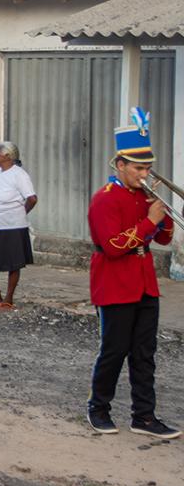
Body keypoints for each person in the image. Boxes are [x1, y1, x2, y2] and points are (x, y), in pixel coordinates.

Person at [86, 108, 178, 440]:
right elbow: (112, 246)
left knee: (144, 352)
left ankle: (144, 415)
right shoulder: (104, 200)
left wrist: (162, 217)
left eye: (148, 167)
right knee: (114, 350)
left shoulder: (146, 197)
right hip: (114, 281)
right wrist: (150, 221)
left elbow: (165, 238)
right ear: (120, 164)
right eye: (139, 167)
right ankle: (98, 407)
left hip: (144, 282)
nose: (145, 174)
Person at [0, 141, 37, 310]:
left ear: (7, 156)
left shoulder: (19, 175)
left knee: (14, 263)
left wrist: (20, 213)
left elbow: (32, 198)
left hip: (13, 226)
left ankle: (9, 298)